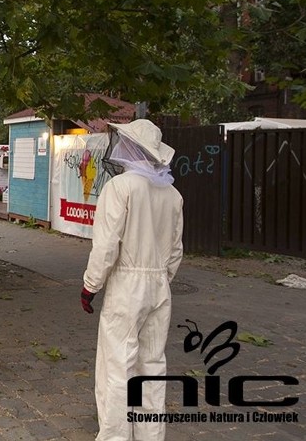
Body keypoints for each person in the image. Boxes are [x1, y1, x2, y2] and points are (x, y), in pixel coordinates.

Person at [80, 119, 184, 441]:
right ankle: (151, 435)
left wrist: (90, 285)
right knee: (152, 365)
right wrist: (161, 278)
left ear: (133, 148)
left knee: (117, 366)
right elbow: (176, 251)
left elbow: (107, 245)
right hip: (159, 287)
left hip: (127, 284)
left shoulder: (120, 187)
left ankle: (115, 437)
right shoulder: (173, 195)